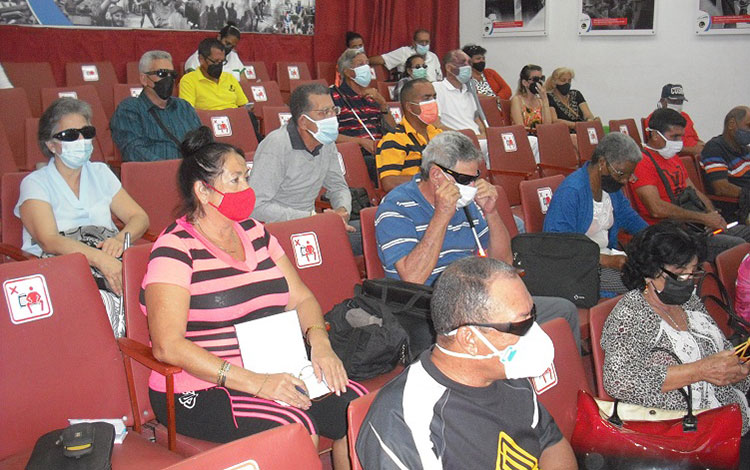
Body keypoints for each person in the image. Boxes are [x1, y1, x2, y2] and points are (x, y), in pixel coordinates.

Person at [143, 126, 363, 470]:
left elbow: (301, 298)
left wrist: (320, 342)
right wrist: (257, 384)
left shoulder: (255, 231)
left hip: (274, 364)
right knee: (294, 427)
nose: (248, 189)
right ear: (203, 190)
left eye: (247, 177)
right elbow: (167, 346)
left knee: (356, 409)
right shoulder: (175, 248)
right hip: (199, 386)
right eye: (236, 181)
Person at [356, 256, 577, 470]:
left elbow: (550, 443)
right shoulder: (405, 421)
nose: (533, 333)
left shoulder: (510, 376)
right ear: (470, 339)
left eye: (533, 314)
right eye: (519, 326)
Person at [375, 131, 581, 347]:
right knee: (514, 328)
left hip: (477, 297)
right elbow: (413, 277)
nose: (472, 186)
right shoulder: (396, 207)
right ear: (437, 176)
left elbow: (503, 263)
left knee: (563, 312)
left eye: (476, 177)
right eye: (465, 179)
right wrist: (442, 215)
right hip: (430, 307)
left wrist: (491, 212)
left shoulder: (466, 205)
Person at [16, 98, 149, 337]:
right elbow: (49, 240)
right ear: (51, 144)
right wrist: (99, 259)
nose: (81, 141)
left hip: (110, 253)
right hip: (63, 262)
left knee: (161, 288)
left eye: (86, 133)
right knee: (103, 303)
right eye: (70, 135)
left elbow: (139, 217)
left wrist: (120, 238)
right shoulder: (35, 183)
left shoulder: (100, 172)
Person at [602, 222, 750, 436]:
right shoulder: (631, 314)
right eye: (680, 275)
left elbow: (721, 349)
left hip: (730, 414)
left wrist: (738, 370)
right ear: (649, 272)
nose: (689, 283)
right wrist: (700, 370)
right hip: (686, 431)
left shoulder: (688, 302)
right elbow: (619, 381)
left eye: (693, 273)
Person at [248, 83, 360, 254]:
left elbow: (338, 186)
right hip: (276, 231)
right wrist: (311, 218)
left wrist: (342, 211)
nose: (332, 118)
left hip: (311, 225)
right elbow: (256, 206)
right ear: (303, 121)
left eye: (333, 110)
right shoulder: (276, 145)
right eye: (324, 113)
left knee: (373, 231)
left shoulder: (326, 142)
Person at [628, 108, 750, 261]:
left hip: (694, 226)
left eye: (681, 136)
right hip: (671, 235)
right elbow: (656, 209)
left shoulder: (672, 157)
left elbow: (694, 191)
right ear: (654, 135)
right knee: (738, 245)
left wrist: (712, 216)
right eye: (674, 137)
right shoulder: (642, 162)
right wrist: (702, 218)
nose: (679, 142)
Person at [544, 133, 647, 296]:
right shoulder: (571, 192)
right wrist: (607, 261)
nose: (625, 181)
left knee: (659, 274)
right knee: (643, 286)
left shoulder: (611, 190)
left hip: (605, 259)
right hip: (578, 267)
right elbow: (559, 246)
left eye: (629, 175)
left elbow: (631, 219)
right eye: (621, 174)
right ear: (602, 163)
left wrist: (658, 239)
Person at [110, 50, 201, 162]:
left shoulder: (184, 107)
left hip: (191, 174)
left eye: (172, 74)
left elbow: (201, 143)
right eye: (161, 74)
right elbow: (134, 151)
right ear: (144, 79)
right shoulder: (130, 109)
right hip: (155, 174)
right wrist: (170, 168)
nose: (168, 79)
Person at [330, 48, 396, 183]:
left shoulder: (373, 97)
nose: (366, 68)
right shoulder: (332, 96)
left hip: (380, 152)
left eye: (367, 63)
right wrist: (360, 142)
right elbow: (328, 134)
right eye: (360, 64)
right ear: (348, 72)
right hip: (353, 154)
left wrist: (383, 104)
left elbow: (393, 130)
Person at [375, 78, 441, 193]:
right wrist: (431, 179)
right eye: (426, 98)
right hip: (414, 198)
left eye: (434, 97)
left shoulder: (439, 134)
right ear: (409, 107)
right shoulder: (394, 139)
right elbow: (389, 182)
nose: (432, 102)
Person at [433, 50, 488, 159]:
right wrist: (469, 136)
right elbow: (437, 125)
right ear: (449, 68)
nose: (468, 67)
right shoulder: (436, 88)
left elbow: (477, 120)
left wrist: (484, 135)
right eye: (463, 63)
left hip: (479, 140)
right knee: (499, 147)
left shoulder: (469, 90)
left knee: (529, 141)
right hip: (457, 142)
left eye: (469, 63)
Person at [179, 37, 249, 111]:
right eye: (215, 61)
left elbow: (243, 105)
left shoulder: (229, 77)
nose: (219, 65)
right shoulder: (189, 80)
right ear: (201, 59)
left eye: (221, 62)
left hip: (233, 119)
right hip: (207, 120)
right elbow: (187, 112)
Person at [699, 106, 750, 199]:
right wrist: (746, 195)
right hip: (734, 206)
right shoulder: (714, 149)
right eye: (748, 126)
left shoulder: (744, 149)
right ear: (731, 124)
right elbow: (721, 188)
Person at [644, 84, 704, 157]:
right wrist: (694, 150)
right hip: (682, 157)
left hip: (697, 154)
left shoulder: (685, 116)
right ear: (662, 101)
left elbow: (695, 138)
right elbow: (661, 146)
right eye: (674, 101)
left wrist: (706, 147)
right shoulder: (653, 119)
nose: (677, 105)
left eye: (680, 102)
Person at [510, 64, 551, 164]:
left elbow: (547, 125)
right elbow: (520, 127)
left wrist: (545, 99)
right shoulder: (517, 100)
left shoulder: (541, 102)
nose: (539, 83)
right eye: (535, 79)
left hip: (540, 137)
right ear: (525, 82)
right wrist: (537, 131)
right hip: (525, 138)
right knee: (535, 141)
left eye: (542, 79)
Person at [369, 29, 443, 82]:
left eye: (426, 42)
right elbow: (382, 59)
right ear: (414, 43)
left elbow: (439, 78)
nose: (424, 44)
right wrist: (362, 61)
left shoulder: (433, 56)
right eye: (421, 42)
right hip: (410, 89)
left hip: (434, 92)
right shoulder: (404, 52)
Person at [544, 67, 598, 133]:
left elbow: (588, 114)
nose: (567, 83)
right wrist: (577, 125)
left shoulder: (576, 94)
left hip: (582, 131)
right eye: (563, 80)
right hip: (563, 133)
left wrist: (589, 120)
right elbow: (555, 120)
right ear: (554, 82)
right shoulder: (548, 97)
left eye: (569, 81)